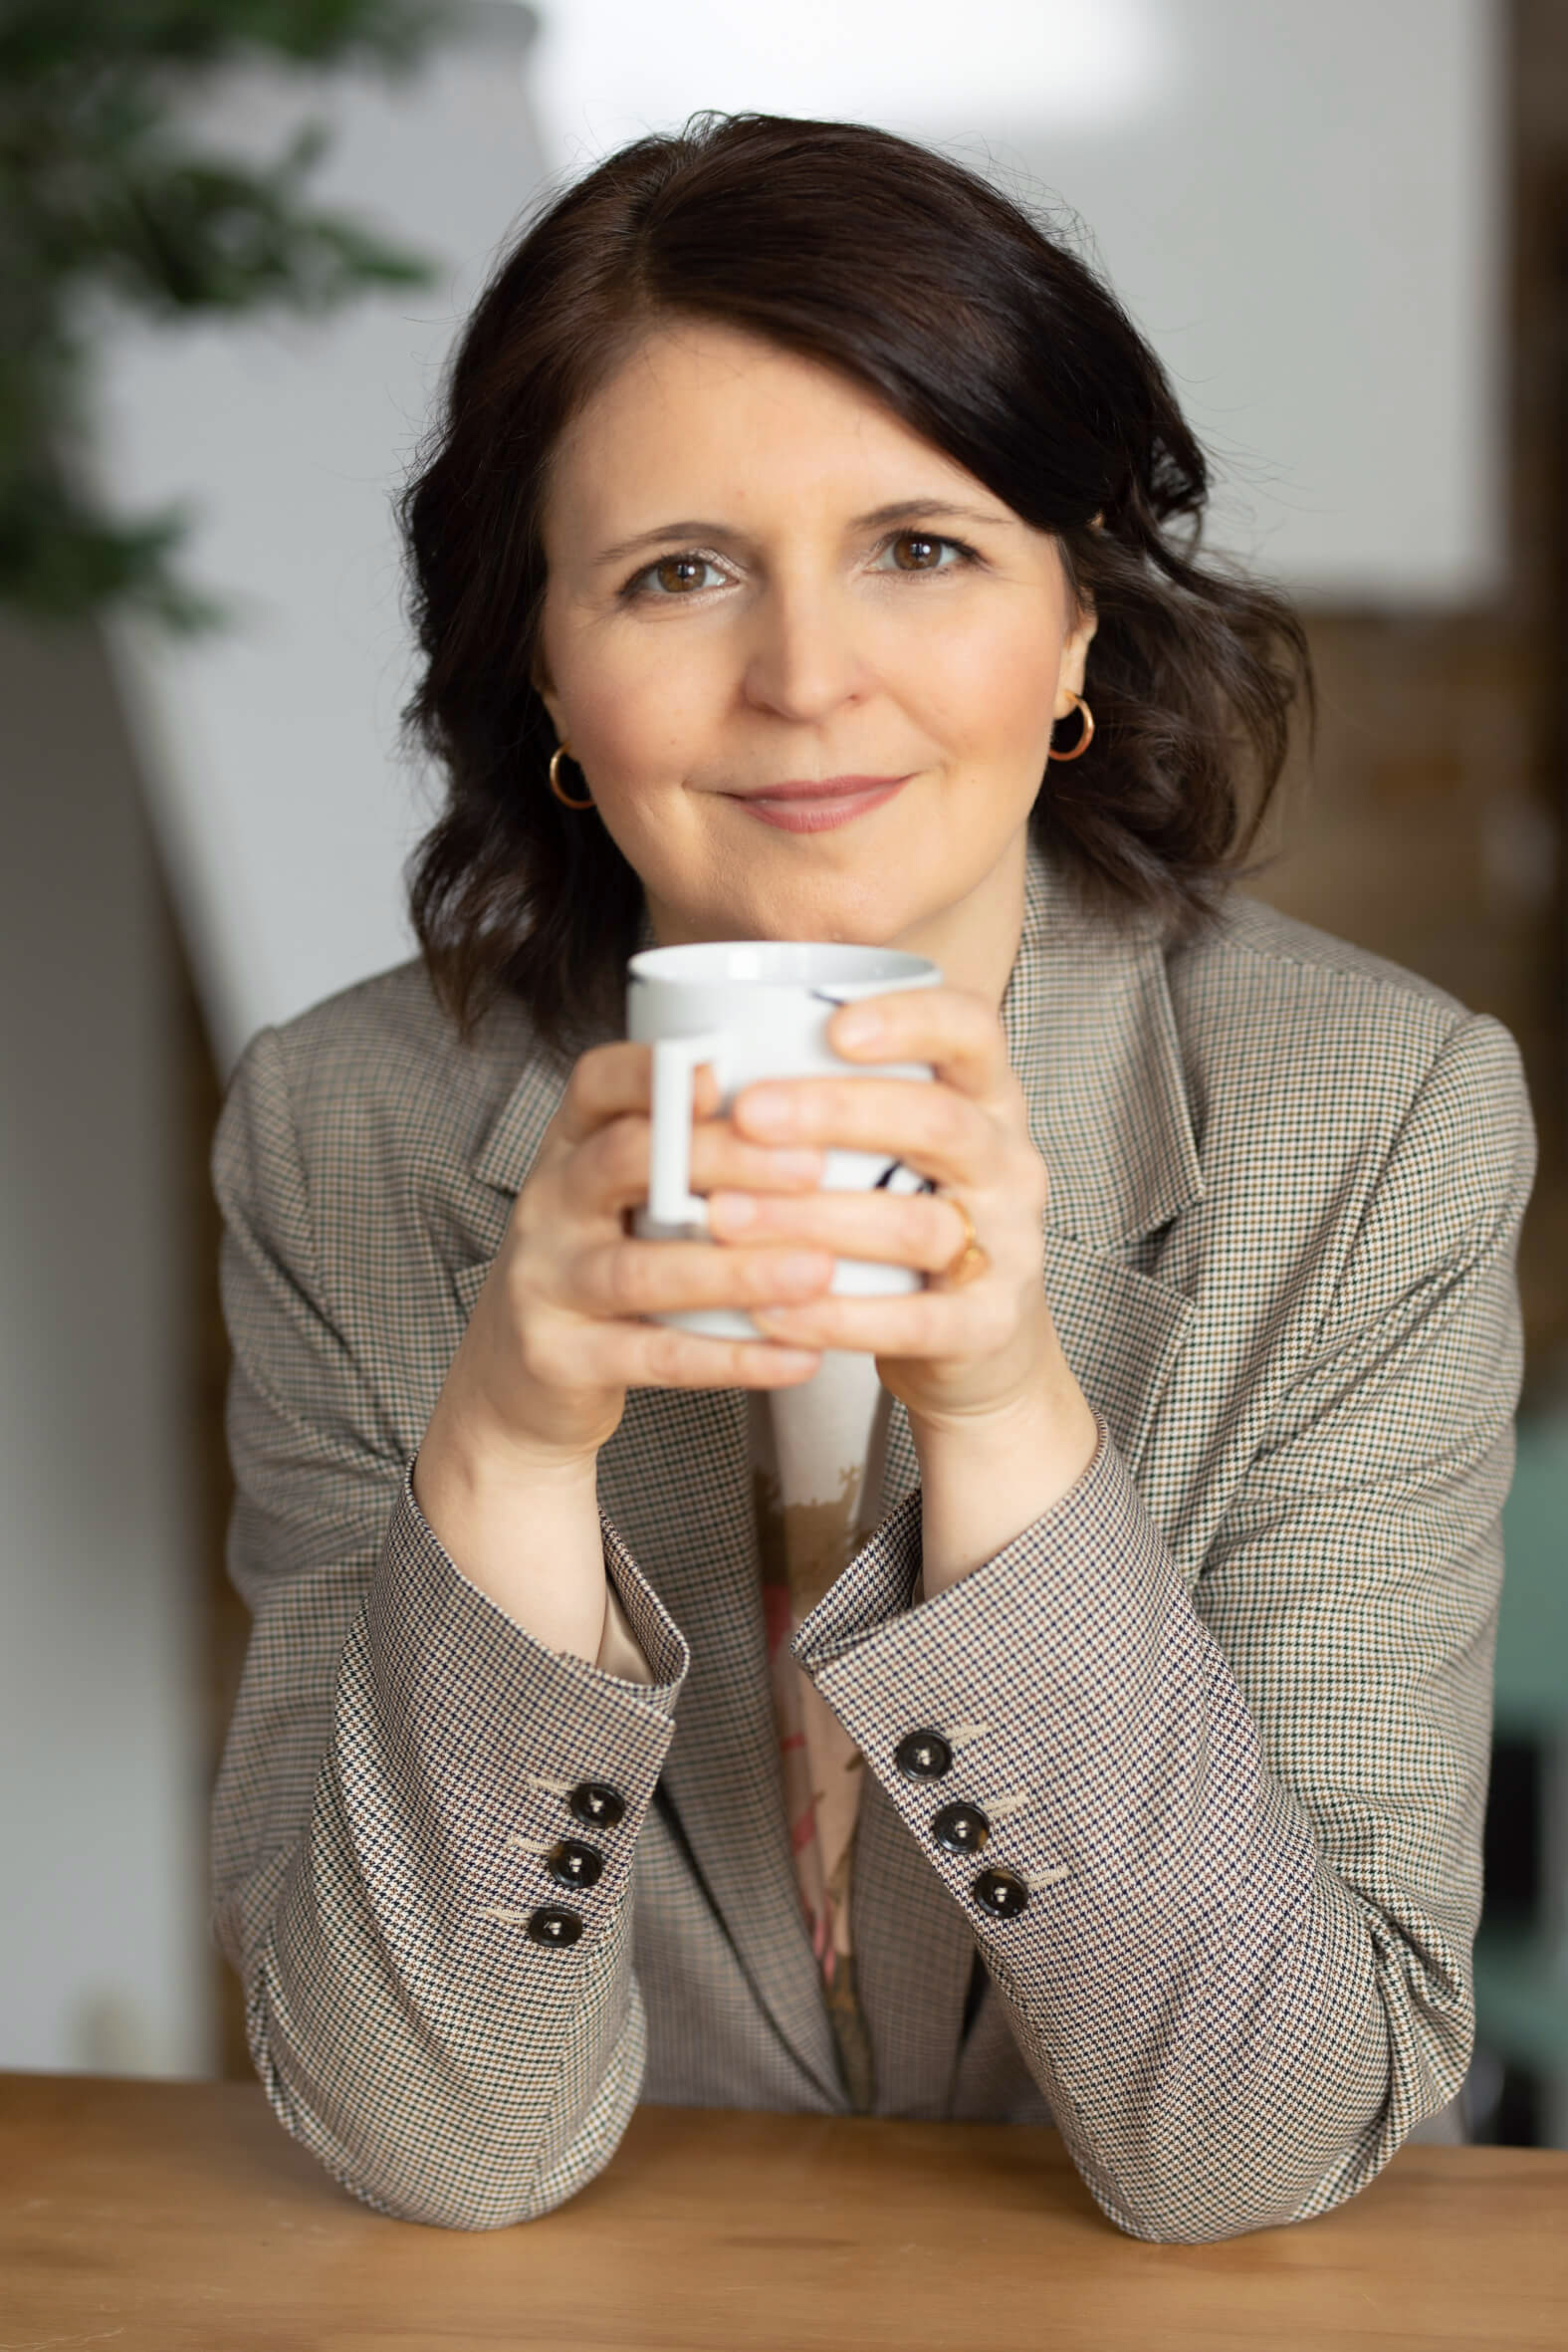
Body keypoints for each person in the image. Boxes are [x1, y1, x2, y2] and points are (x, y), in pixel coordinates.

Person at [210, 111, 1536, 2243]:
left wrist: (1003, 1413)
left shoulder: (1372, 1120)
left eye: (919, 545)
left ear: (1077, 620)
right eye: (677, 570)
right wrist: (506, 1451)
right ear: (544, 660)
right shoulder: (347, 1124)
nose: (805, 678)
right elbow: (429, 2141)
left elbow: (1256, 2148)